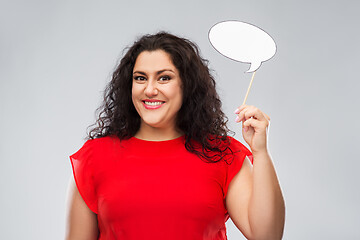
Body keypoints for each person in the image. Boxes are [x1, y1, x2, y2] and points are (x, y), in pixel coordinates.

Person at [65, 32, 285, 240]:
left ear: (186, 85)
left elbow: (267, 236)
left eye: (164, 78)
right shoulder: (94, 158)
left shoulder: (222, 154)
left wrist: (261, 152)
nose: (149, 90)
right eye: (140, 78)